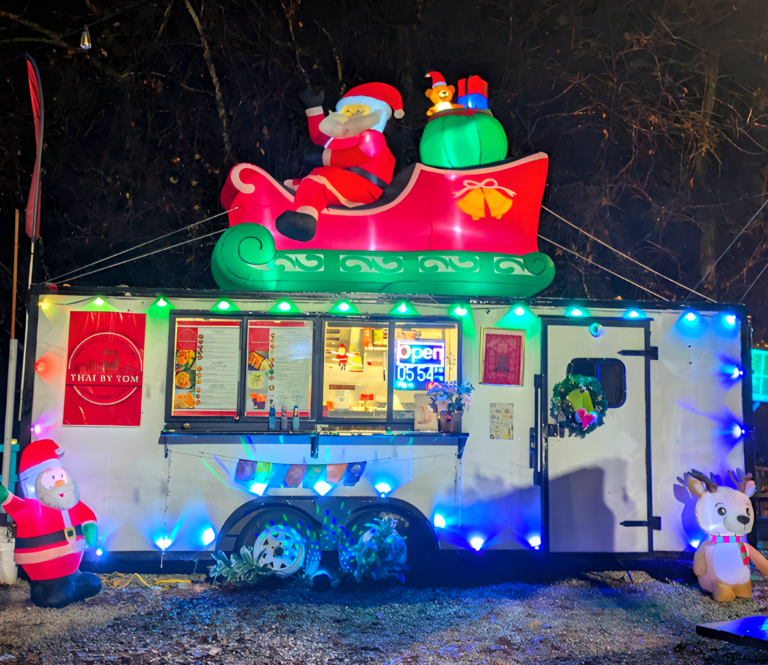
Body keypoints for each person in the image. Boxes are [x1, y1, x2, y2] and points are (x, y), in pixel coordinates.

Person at [276, 83, 404, 242]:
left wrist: (325, 158)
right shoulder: (339, 136)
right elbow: (320, 137)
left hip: (365, 186)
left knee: (318, 180)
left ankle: (306, 221)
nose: (350, 115)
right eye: (347, 110)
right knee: (295, 184)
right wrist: (314, 108)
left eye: (358, 111)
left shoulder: (373, 137)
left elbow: (362, 154)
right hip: (341, 179)